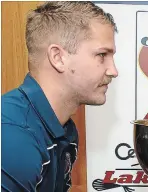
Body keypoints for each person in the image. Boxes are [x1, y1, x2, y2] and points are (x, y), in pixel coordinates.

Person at [1, 1, 118, 191]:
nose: (113, 71)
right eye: (102, 55)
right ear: (58, 58)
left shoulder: (66, 131)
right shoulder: (13, 137)